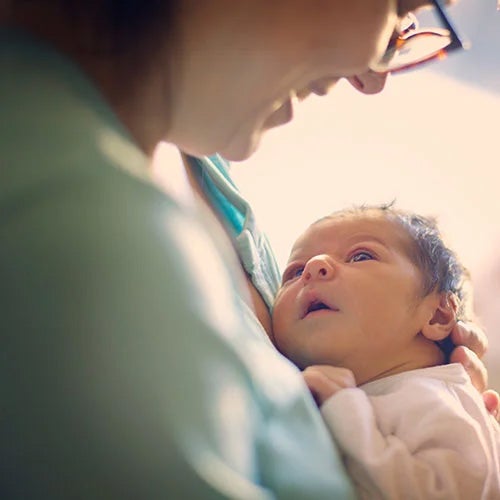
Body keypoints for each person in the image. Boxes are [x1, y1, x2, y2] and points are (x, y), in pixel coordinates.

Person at [1, 1, 498, 497]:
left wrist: (415, 385)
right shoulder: (65, 215)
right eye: (399, 10)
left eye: (362, 256)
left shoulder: (206, 170)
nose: (373, 77)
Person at [272, 204, 500, 499]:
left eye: (361, 256)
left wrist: (343, 407)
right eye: (294, 272)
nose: (314, 266)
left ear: (438, 315)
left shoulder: (432, 396)